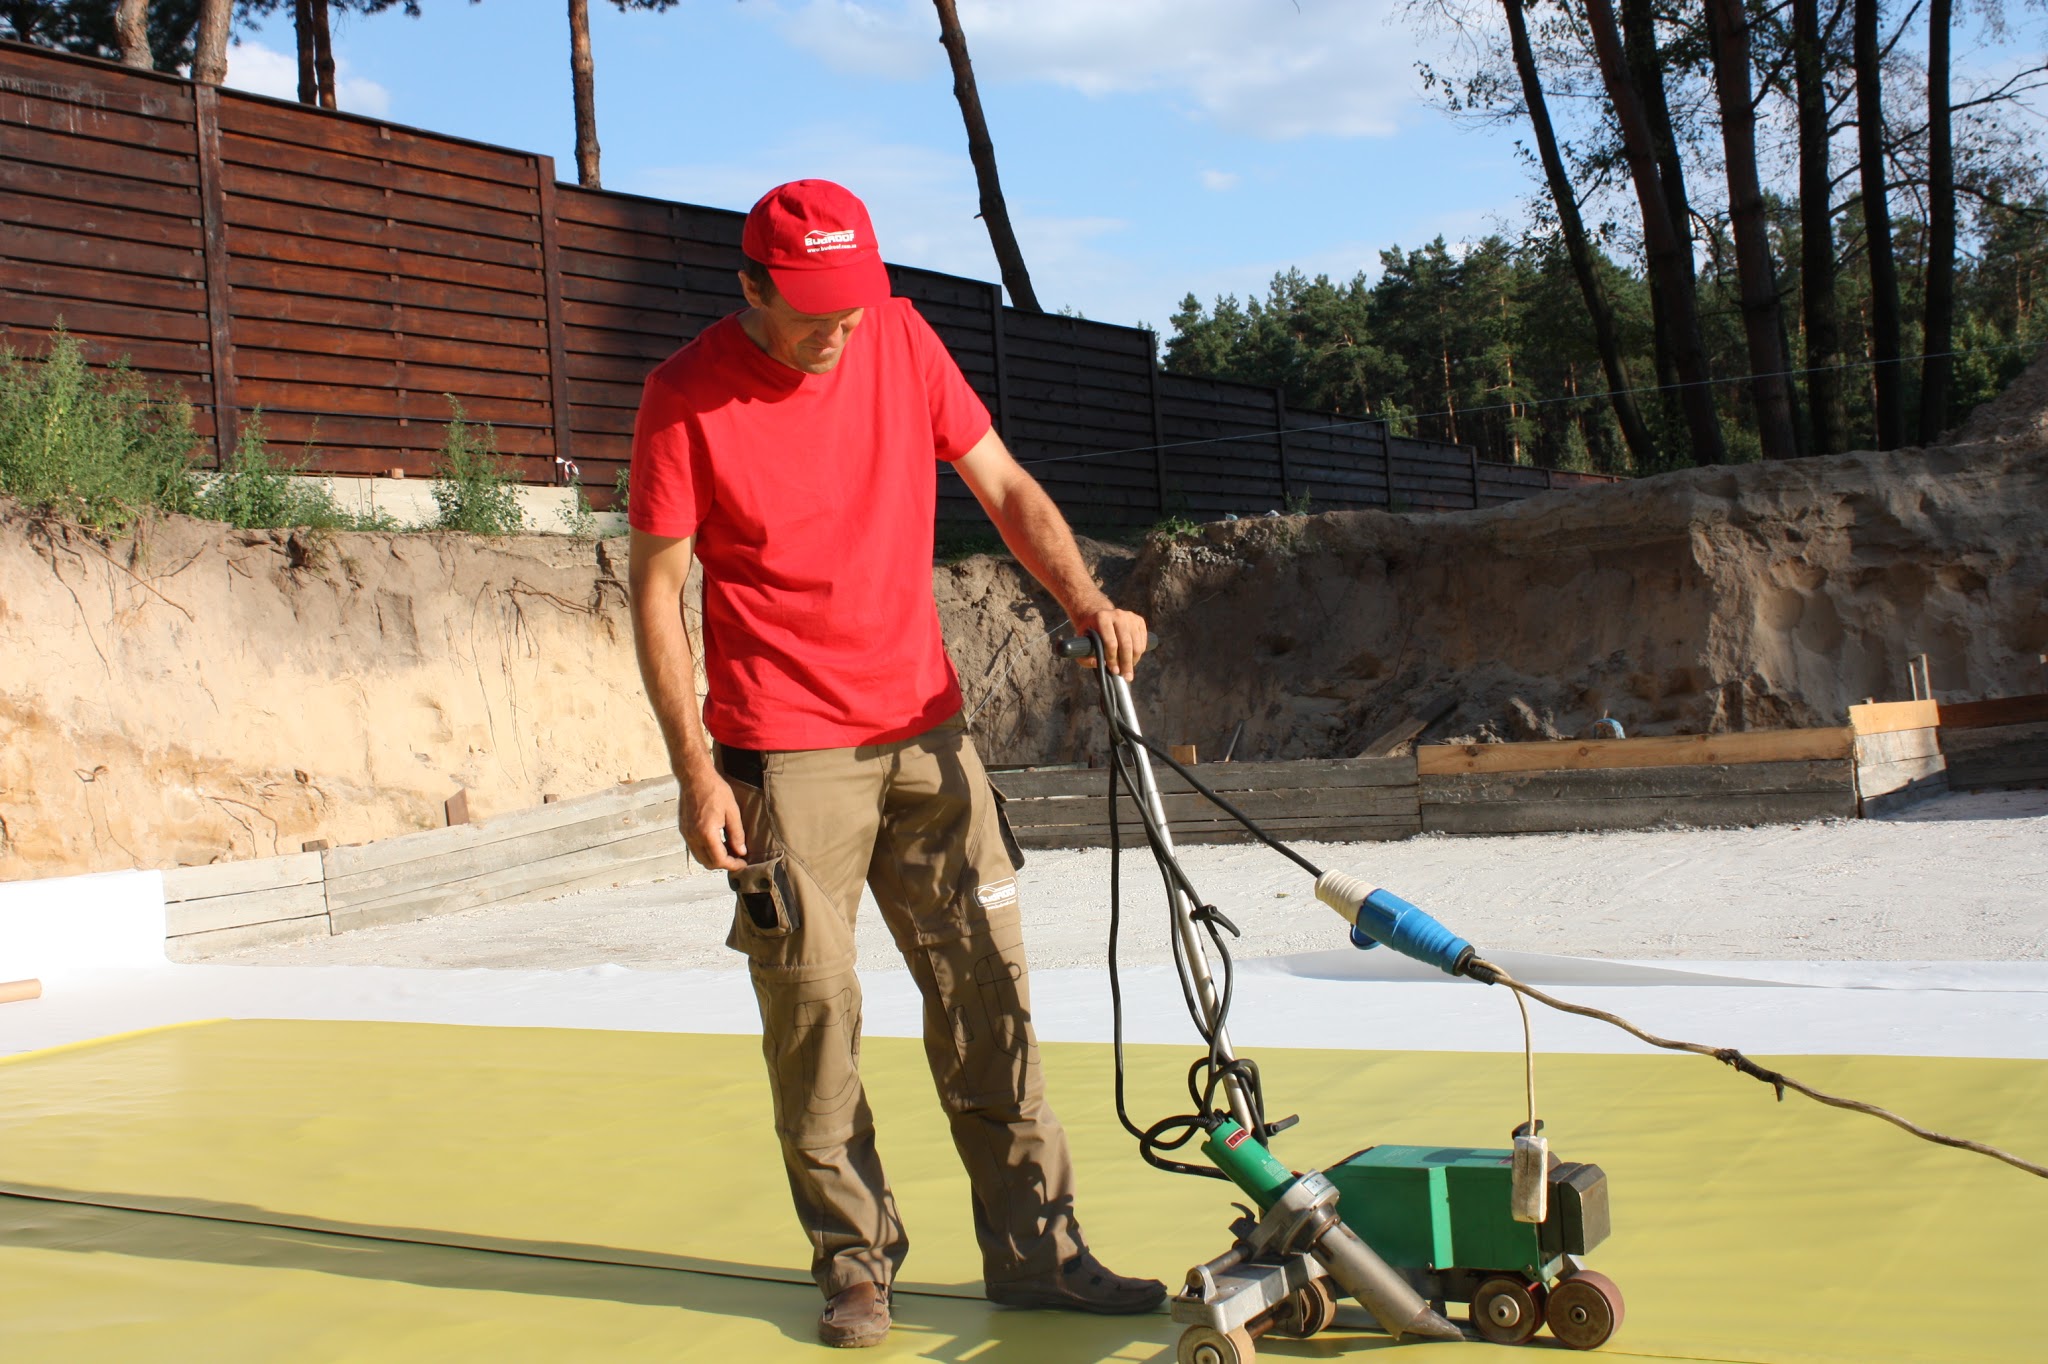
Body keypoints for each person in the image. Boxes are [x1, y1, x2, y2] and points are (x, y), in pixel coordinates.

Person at [625, 179, 1163, 1349]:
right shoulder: (684, 395)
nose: (839, 326)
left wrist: (1085, 600)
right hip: (782, 749)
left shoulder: (902, 337)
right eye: (813, 307)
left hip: (927, 730)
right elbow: (657, 593)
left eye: (852, 301)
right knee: (815, 1014)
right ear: (751, 285)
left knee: (988, 992)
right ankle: (855, 1265)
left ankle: (1039, 1251)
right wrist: (695, 773)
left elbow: (1003, 486)